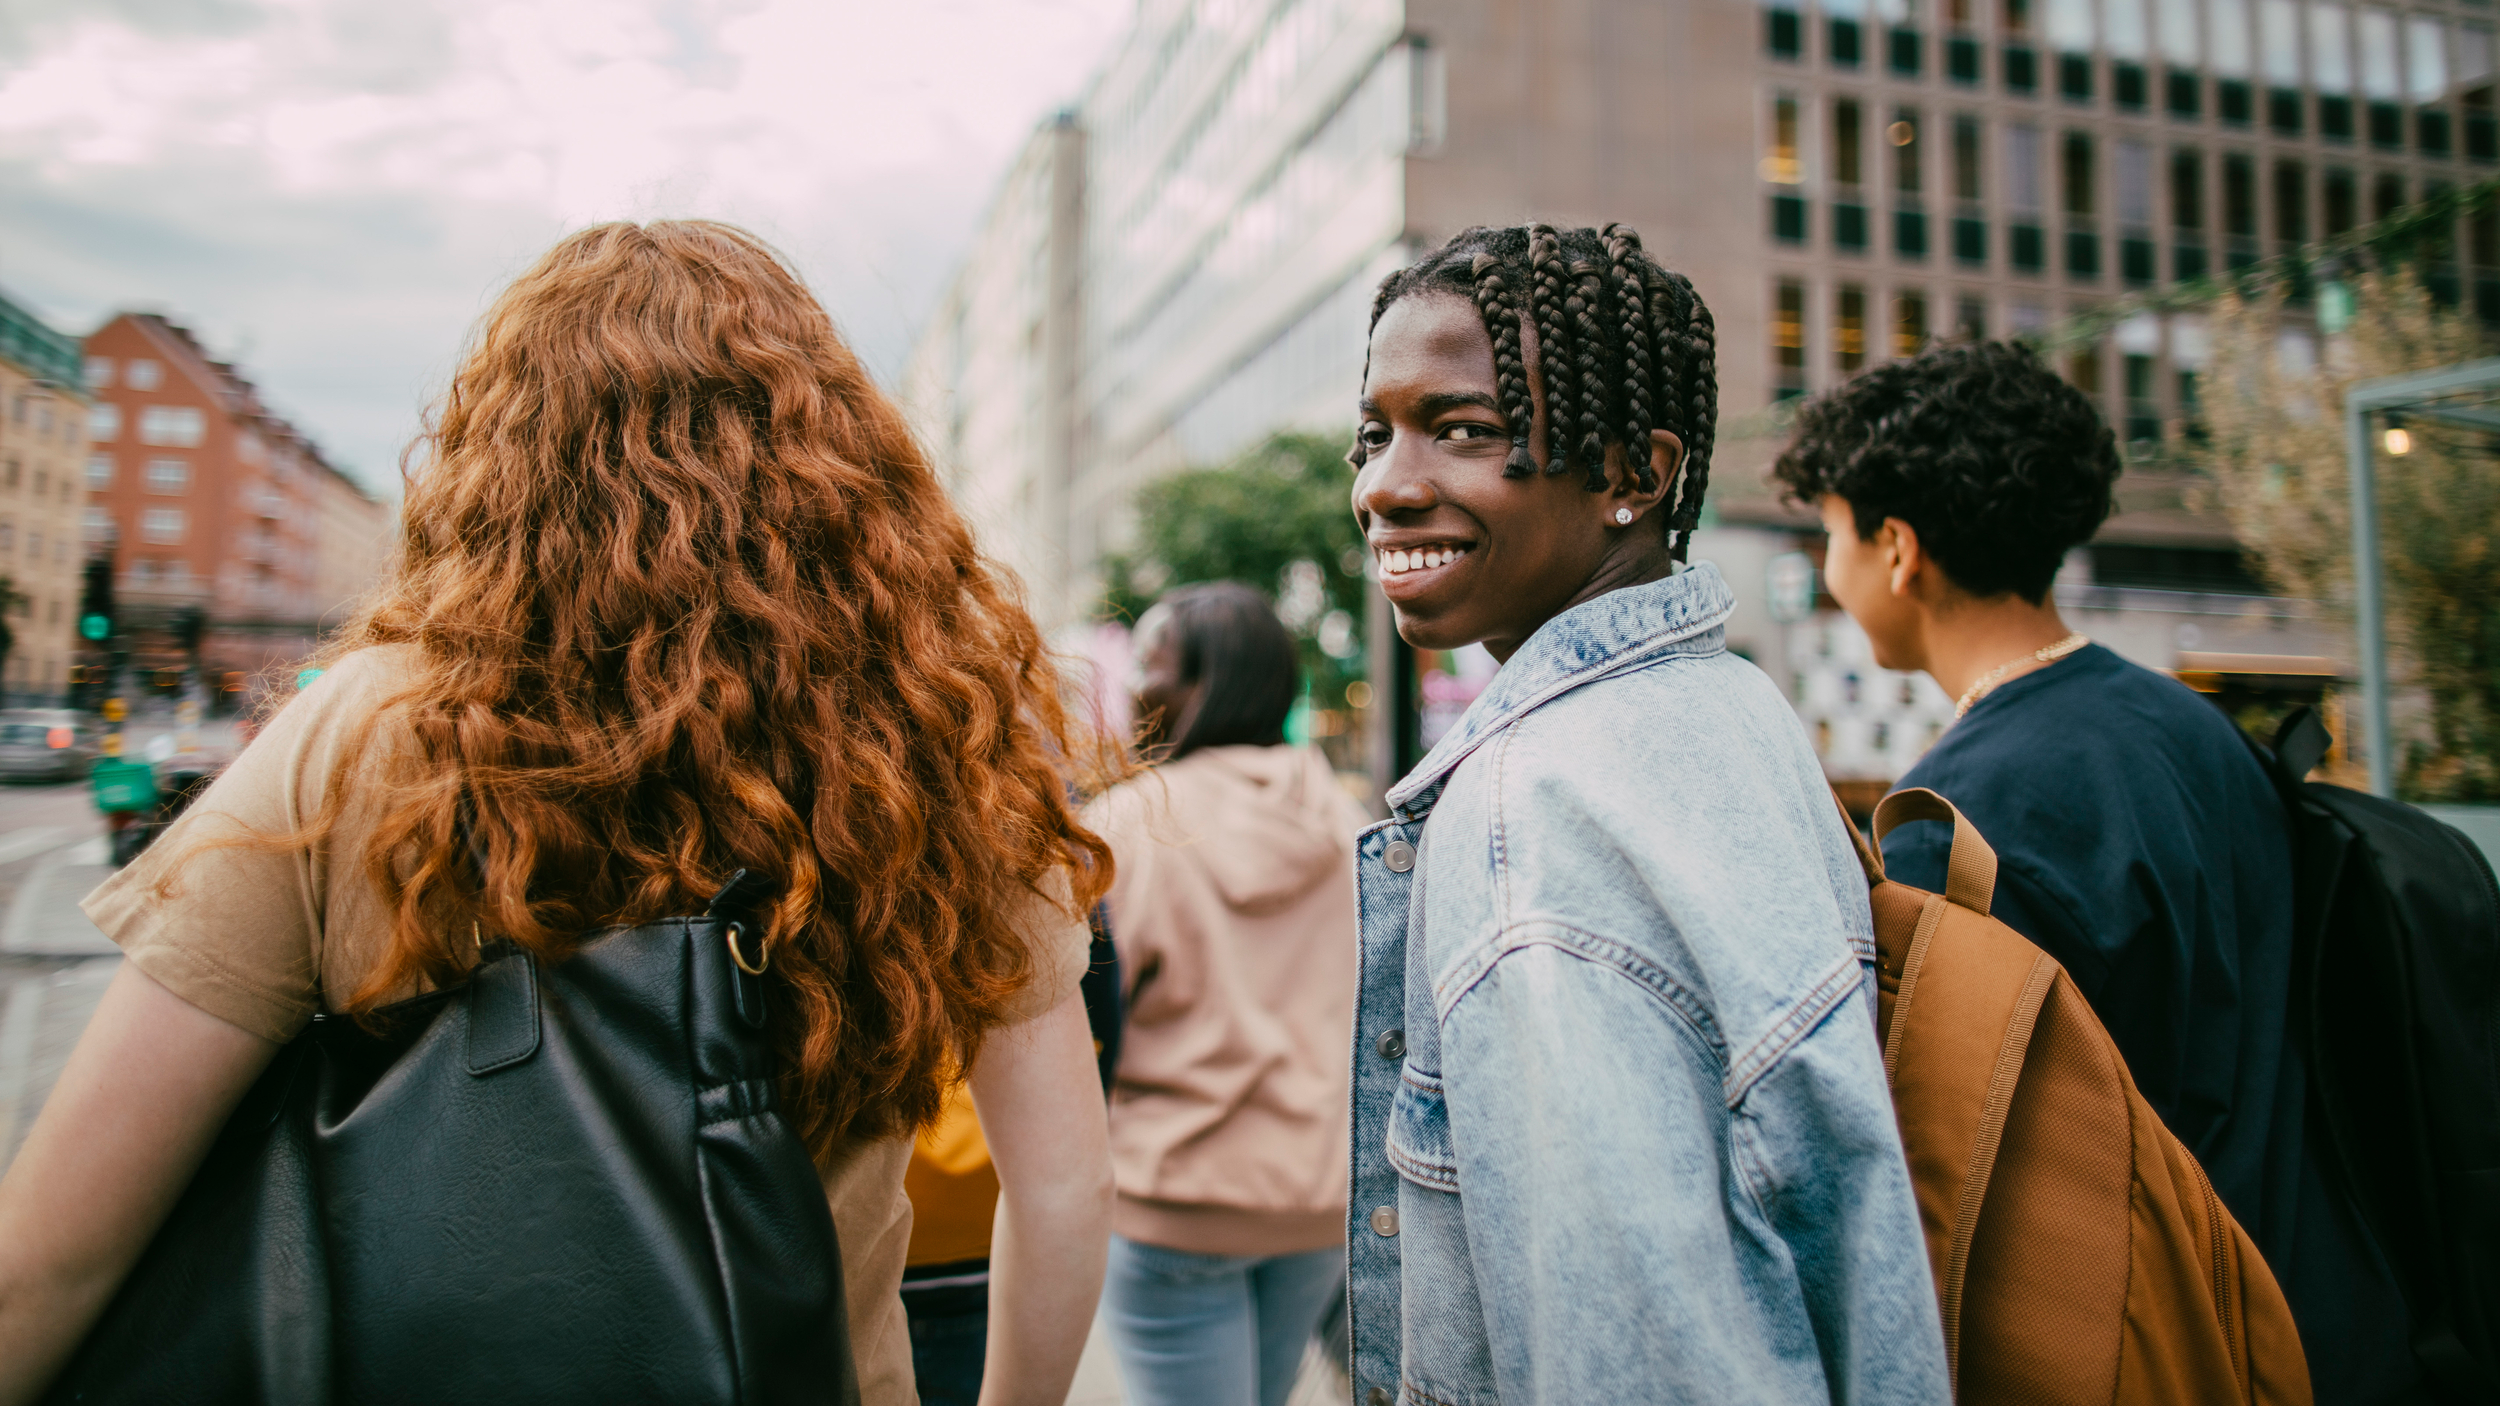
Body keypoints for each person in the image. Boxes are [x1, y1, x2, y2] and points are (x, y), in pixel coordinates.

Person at [0, 221, 1115, 1406]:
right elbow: (1064, 1188)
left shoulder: (369, 727)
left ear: (500, 455)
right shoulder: (929, 739)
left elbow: (58, 1249)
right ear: (843, 465)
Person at [1343, 221, 1948, 1404]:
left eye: (1462, 429)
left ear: (1632, 473)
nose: (1385, 485)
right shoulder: (1727, 702)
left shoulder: (1534, 816)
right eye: (1376, 433)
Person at [1772, 339, 2423, 1405]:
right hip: (2325, 1309)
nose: (1829, 568)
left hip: (2168, 1345)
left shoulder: (1952, 822)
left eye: (1833, 532)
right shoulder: (2190, 726)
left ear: (1897, 548)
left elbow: (1954, 1173)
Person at [1083, 582, 1367, 1406]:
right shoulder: (1344, 819)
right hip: (1318, 1203)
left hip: (1172, 1198)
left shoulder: (1130, 826)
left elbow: (1082, 1020)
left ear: (1204, 685)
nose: (1133, 687)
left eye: (1151, 665)